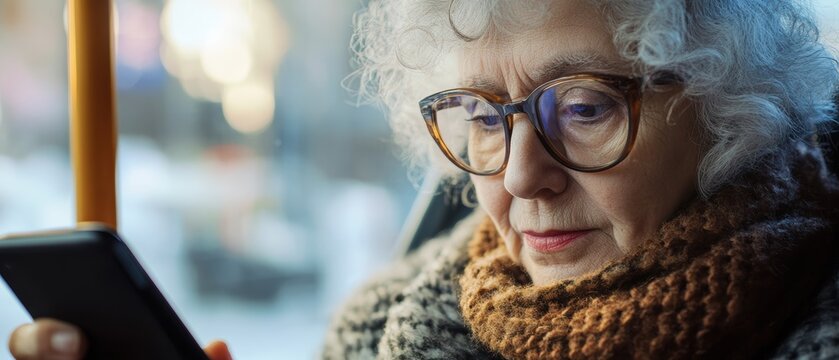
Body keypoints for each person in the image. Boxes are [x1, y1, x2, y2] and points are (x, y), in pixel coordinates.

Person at [8, 0, 839, 359]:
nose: (521, 177)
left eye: (582, 109)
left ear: (730, 109)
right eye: (481, 118)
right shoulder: (377, 329)